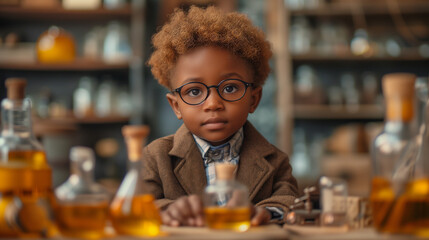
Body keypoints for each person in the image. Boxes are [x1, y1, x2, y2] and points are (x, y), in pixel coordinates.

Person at [145, 5, 298, 227]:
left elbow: (288, 201)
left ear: (253, 99)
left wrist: (266, 212)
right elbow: (139, 203)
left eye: (230, 88)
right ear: (175, 106)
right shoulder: (157, 157)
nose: (213, 104)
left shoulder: (276, 161)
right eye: (194, 91)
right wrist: (168, 210)